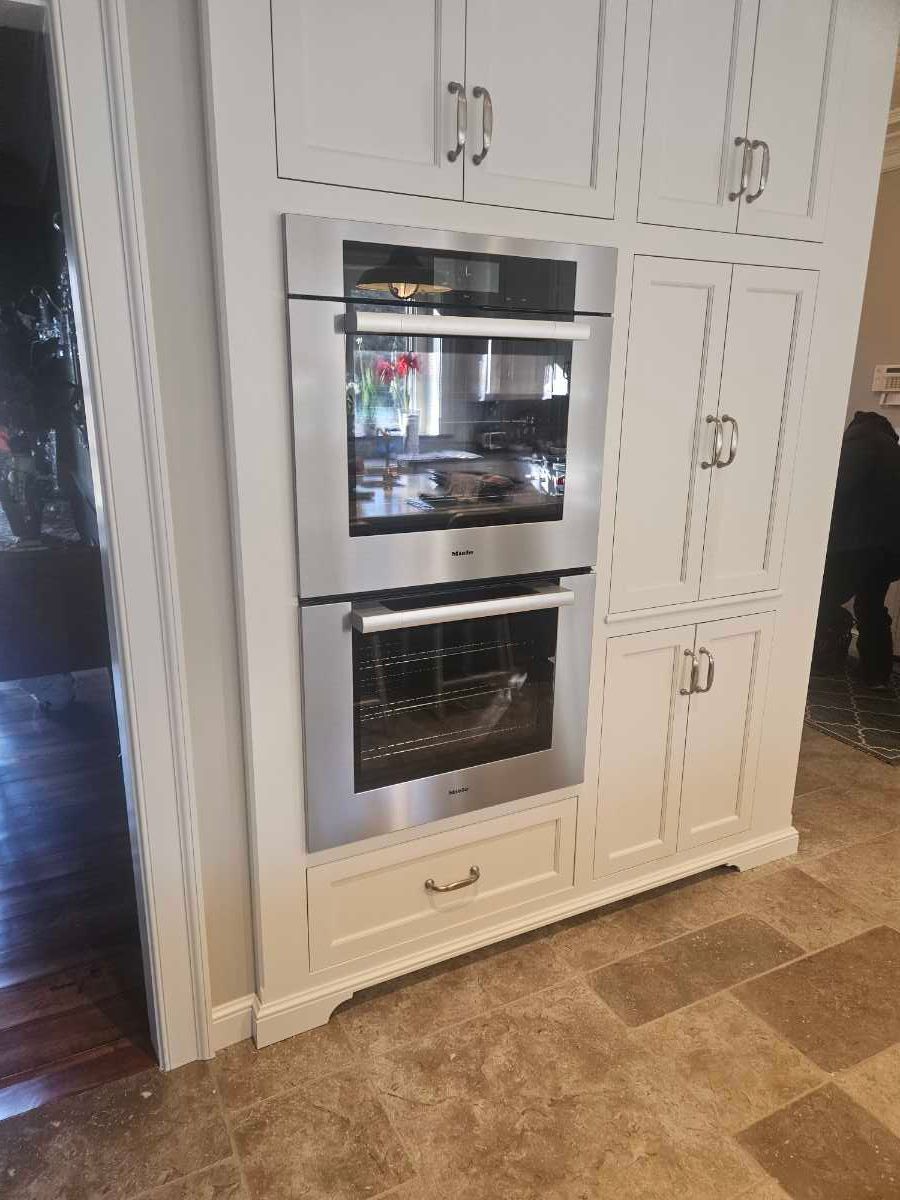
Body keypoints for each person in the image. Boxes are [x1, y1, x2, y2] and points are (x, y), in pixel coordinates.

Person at [813, 410, 900, 685]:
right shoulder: (893, 451)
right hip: (888, 550)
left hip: (852, 544)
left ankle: (815, 659)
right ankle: (877, 674)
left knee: (820, 597)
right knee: (871, 604)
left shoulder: (858, 444)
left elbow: (837, 489)